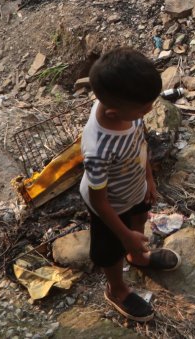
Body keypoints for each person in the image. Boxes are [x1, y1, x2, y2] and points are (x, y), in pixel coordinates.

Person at [80, 48, 180, 322]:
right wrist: (123, 234)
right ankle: (117, 289)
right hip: (109, 206)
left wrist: (148, 178)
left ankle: (138, 256)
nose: (149, 110)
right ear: (113, 112)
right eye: (146, 107)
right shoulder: (98, 149)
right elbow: (98, 200)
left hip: (135, 186)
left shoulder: (129, 111)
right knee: (110, 251)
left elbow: (141, 143)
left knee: (139, 220)